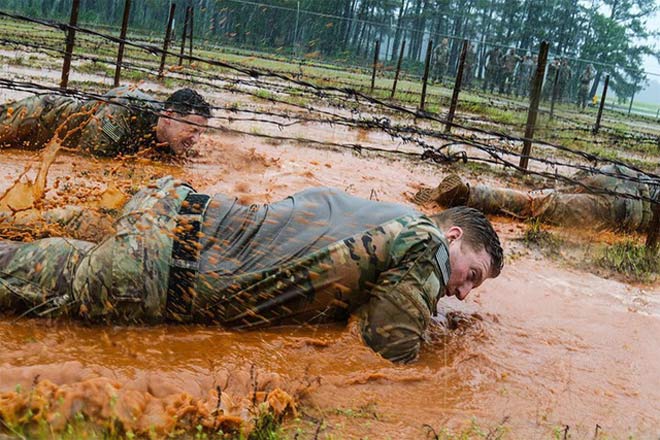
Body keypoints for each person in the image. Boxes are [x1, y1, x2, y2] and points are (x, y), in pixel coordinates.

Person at [0, 178, 503, 363]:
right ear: (453, 237)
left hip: (169, 216)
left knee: (30, 249)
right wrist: (445, 349)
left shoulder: (384, 219)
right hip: (157, 273)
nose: (462, 293)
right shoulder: (427, 240)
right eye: (472, 276)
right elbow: (390, 346)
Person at [413, 165, 659, 232]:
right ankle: (468, 194)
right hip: (623, 206)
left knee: (548, 196)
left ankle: (466, 192)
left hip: (618, 174)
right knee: (538, 206)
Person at [0, 86, 211, 157]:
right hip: (40, 117)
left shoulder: (175, 142)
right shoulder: (123, 114)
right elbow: (88, 159)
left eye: (200, 133)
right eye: (192, 130)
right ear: (169, 116)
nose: (195, 139)